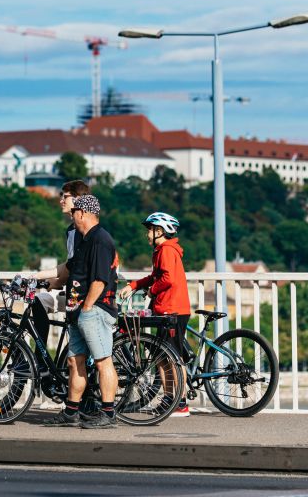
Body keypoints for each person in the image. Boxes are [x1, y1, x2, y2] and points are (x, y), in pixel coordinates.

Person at [45, 194, 120, 429]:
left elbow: (100, 280)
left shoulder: (100, 240)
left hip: (94, 310)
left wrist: (86, 307)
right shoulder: (85, 239)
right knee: (74, 362)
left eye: (74, 212)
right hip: (78, 311)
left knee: (102, 361)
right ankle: (71, 411)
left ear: (83, 213)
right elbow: (70, 271)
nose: (72, 215)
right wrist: (45, 284)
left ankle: (108, 413)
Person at [119, 211, 192, 416]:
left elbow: (167, 279)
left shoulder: (167, 250)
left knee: (174, 358)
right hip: (166, 308)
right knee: (162, 357)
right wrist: (134, 285)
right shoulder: (162, 250)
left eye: (149, 230)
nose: (147, 234)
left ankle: (180, 402)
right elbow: (155, 276)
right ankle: (170, 399)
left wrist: (151, 291)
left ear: (160, 231)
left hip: (172, 309)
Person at [32, 180, 92, 353]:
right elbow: (70, 263)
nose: (61, 201)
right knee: (39, 302)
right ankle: (41, 356)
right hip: (72, 290)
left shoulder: (84, 231)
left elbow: (72, 268)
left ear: (78, 199)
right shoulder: (71, 230)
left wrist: (52, 282)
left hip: (83, 294)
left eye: (65, 197)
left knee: (40, 301)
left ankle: (41, 360)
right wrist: (39, 276)